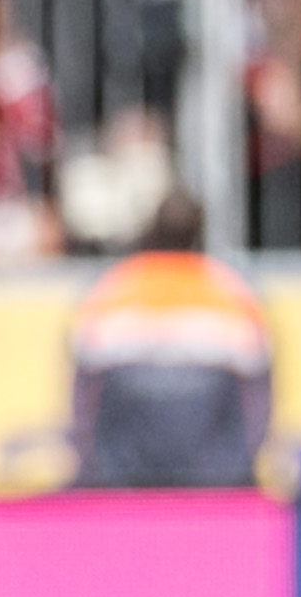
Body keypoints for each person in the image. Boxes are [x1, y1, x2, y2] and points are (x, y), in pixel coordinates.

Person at [64, 193, 272, 491]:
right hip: (212, 469)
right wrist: (241, 467)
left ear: (152, 229)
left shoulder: (114, 286)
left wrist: (92, 469)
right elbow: (258, 395)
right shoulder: (229, 288)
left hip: (125, 468)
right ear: (199, 234)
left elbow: (83, 394)